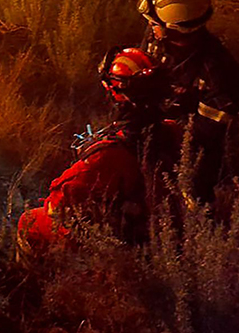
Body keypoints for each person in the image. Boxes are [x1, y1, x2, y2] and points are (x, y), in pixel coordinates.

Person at [17, 47, 175, 255]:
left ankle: (37, 280)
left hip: (123, 245)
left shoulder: (110, 156)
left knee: (31, 220)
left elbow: (57, 205)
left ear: (118, 91)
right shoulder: (174, 130)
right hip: (164, 234)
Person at [137, 0, 239, 203]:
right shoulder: (160, 40)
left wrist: (166, 132)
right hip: (155, 128)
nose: (150, 28)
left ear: (174, 28)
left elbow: (207, 136)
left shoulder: (218, 72)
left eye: (154, 24)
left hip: (189, 151)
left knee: (193, 197)